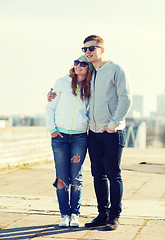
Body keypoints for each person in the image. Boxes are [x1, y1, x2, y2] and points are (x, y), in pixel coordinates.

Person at [48, 35, 132, 231]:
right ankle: (102, 213)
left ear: (101, 49)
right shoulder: (91, 71)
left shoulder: (116, 69)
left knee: (113, 174)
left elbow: (125, 99)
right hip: (92, 132)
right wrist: (52, 94)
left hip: (112, 131)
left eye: (92, 48)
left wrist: (113, 124)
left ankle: (114, 216)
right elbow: (73, 81)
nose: (88, 52)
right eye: (85, 48)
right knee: (97, 174)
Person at [46, 55, 94, 227]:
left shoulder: (91, 85)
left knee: (76, 178)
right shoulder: (61, 82)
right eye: (76, 62)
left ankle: (75, 214)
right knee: (61, 177)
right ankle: (64, 214)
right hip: (60, 137)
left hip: (80, 136)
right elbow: (50, 106)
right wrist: (52, 129)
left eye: (83, 64)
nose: (78, 66)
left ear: (89, 68)